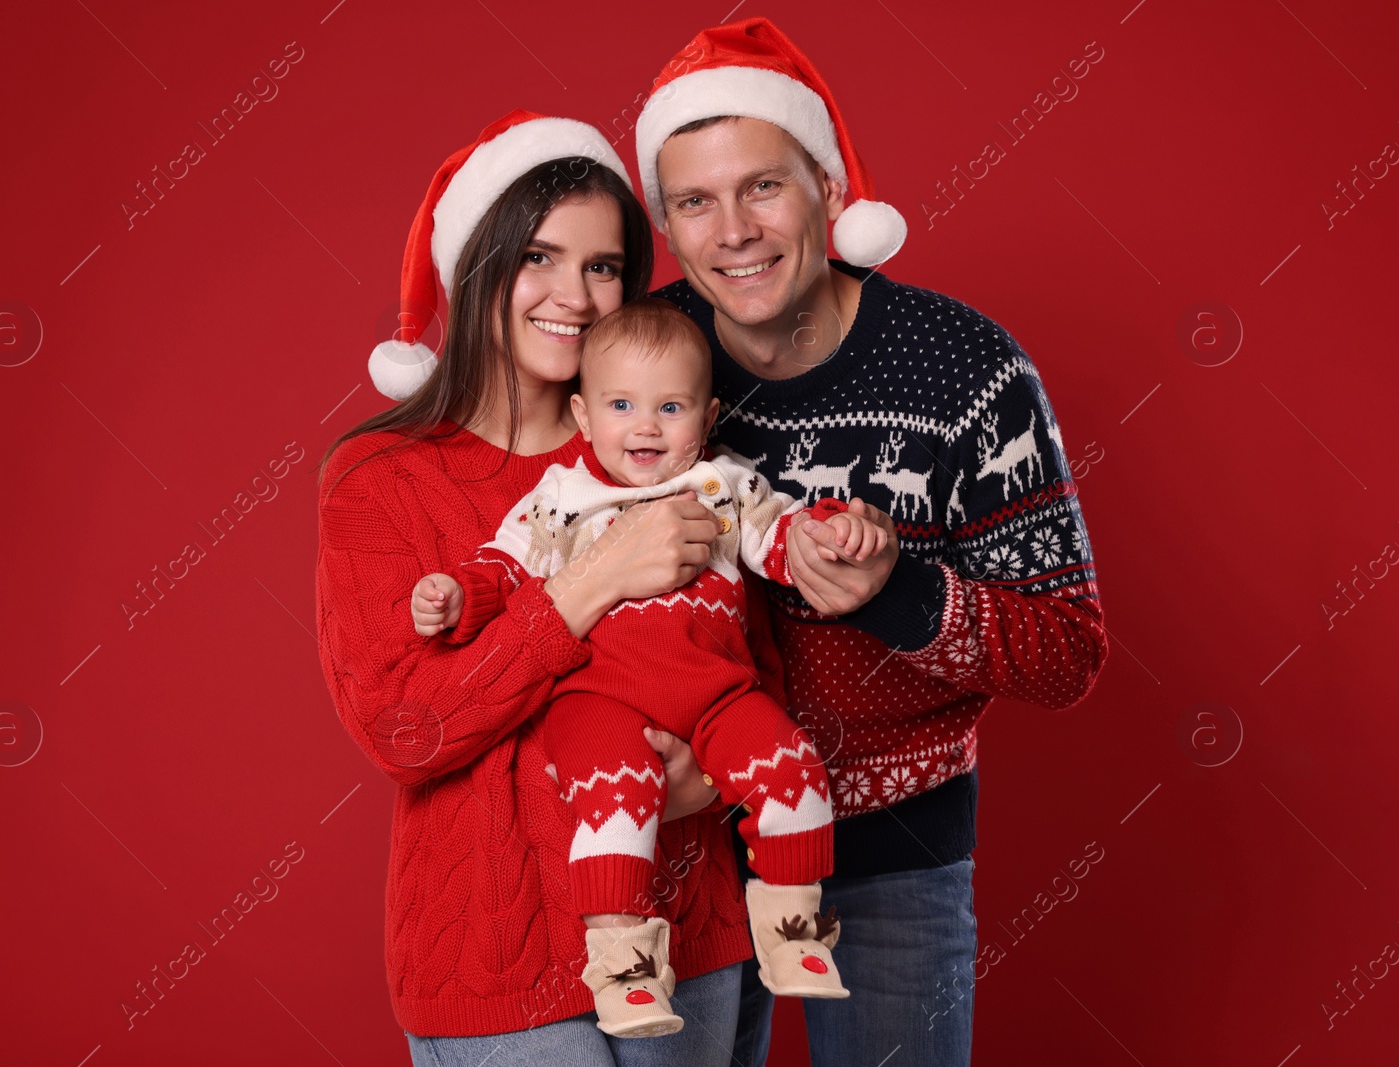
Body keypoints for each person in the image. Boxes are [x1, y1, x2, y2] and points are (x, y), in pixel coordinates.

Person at [632, 18, 1109, 1066]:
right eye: (695, 202)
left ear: (831, 189)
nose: (734, 231)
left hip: (892, 849)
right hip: (687, 845)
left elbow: (1068, 649)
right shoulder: (638, 364)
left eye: (763, 187)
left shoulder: (967, 370)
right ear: (667, 222)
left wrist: (900, 590)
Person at [316, 110, 762, 1066]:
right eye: (540, 258)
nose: (576, 295)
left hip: (686, 929)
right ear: (476, 266)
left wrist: (720, 771)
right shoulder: (381, 481)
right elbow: (406, 728)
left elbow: (754, 656)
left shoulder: (657, 441)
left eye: (603, 266)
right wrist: (589, 583)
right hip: (495, 956)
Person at [410, 298, 884, 1037]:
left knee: (794, 767)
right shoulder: (565, 499)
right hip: (599, 697)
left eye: (671, 406)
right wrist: (455, 595)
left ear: (708, 414)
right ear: (584, 415)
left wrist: (829, 533)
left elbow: (776, 537)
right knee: (618, 797)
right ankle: (624, 966)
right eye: (622, 404)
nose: (646, 426)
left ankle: (792, 927)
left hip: (717, 694)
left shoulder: (723, 487)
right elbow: (506, 566)